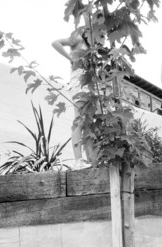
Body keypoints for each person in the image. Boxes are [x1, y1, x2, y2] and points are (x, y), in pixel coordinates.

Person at [52, 29, 93, 169]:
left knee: (88, 123)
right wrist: (71, 60)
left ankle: (91, 160)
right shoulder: (78, 37)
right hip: (79, 83)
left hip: (90, 85)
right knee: (80, 120)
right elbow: (55, 43)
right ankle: (79, 160)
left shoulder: (92, 40)